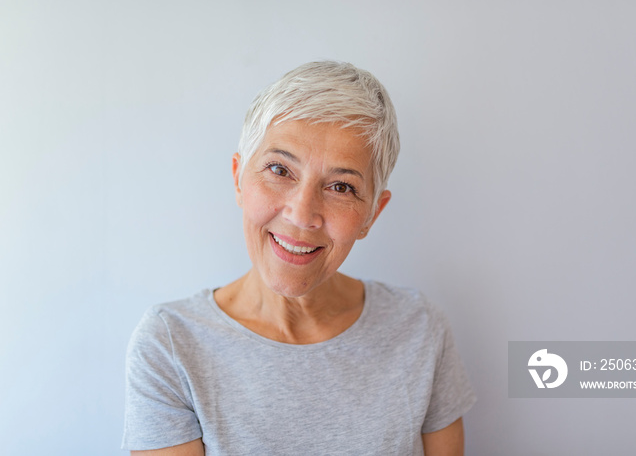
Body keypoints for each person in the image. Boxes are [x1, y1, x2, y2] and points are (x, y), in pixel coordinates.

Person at [122, 61, 475, 455]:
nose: (302, 215)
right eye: (279, 169)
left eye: (341, 186)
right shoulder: (170, 344)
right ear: (239, 178)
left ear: (372, 214)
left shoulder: (420, 330)